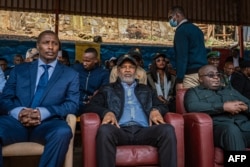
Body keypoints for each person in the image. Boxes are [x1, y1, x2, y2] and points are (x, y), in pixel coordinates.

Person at [0, 30, 80, 167]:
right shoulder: (19, 70)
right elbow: (4, 99)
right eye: (46, 43)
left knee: (63, 131)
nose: (50, 47)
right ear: (38, 46)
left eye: (55, 44)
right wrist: (18, 112)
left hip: (48, 124)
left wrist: (43, 112)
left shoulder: (70, 74)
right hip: (15, 123)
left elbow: (73, 105)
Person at [85, 54, 177, 167]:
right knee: (105, 130)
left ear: (136, 71)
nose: (127, 70)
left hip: (144, 131)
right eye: (124, 67)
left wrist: (155, 109)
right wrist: (106, 112)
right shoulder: (107, 89)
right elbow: (90, 106)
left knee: (167, 129)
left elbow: (164, 106)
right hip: (120, 130)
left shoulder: (147, 90)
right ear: (118, 71)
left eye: (131, 67)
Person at [184, 64, 250, 151]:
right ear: (200, 79)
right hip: (220, 128)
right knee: (231, 130)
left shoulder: (229, 90)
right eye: (211, 75)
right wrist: (223, 107)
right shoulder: (194, 92)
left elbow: (248, 103)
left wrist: (246, 108)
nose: (216, 77)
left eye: (218, 75)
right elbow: (192, 106)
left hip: (243, 126)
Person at [168, 6, 207, 89]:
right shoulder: (197, 30)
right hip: (203, 73)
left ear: (177, 15)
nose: (169, 20)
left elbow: (182, 56)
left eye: (170, 17)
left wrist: (179, 79)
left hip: (190, 74)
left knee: (190, 100)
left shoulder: (181, 31)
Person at [72, 47, 109, 115]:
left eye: (88, 61)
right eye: (83, 60)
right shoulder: (76, 69)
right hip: (76, 102)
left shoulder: (103, 73)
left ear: (95, 60)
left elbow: (105, 89)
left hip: (93, 104)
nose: (84, 63)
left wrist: (96, 96)